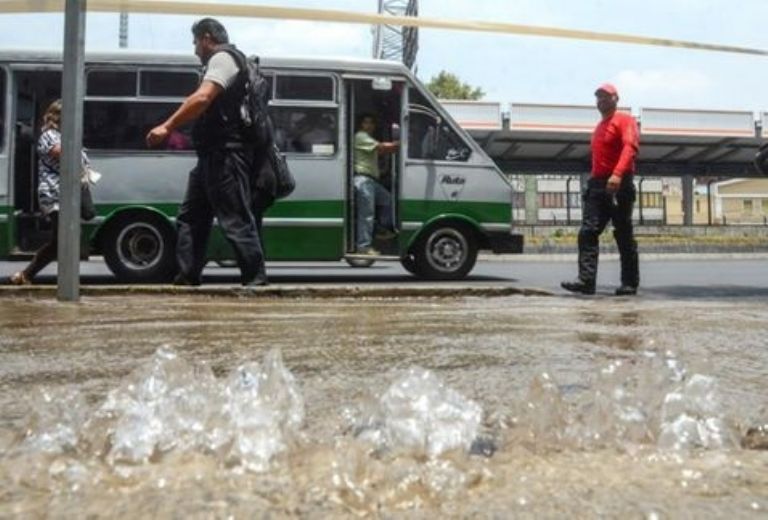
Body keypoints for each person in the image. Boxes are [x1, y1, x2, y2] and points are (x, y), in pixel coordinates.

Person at [146, 18, 268, 286]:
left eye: (195, 42)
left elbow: (202, 98)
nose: (194, 50)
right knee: (190, 217)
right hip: (211, 157)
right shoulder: (230, 60)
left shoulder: (223, 58)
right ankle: (187, 276)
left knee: (235, 218)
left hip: (226, 155)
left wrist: (167, 126)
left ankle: (255, 280)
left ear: (207, 37)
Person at [561, 83, 640, 296]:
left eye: (606, 97)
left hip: (619, 182)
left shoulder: (625, 120)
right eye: (598, 97)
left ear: (616, 99)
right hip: (597, 184)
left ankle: (629, 283)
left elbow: (630, 147)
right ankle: (586, 281)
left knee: (623, 233)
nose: (601, 101)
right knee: (588, 231)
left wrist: (617, 174)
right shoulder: (599, 126)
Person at [10, 99, 89, 285]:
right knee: (65, 237)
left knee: (61, 239)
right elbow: (61, 153)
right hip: (54, 193)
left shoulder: (64, 135)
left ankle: (26, 275)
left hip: (66, 193)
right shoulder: (50, 135)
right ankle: (56, 280)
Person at [353, 114, 399, 255]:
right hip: (363, 180)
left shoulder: (368, 139)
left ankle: (381, 228)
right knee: (366, 214)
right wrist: (401, 143)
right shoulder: (360, 136)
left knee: (387, 199)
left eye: (371, 122)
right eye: (366, 122)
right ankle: (363, 247)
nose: (369, 125)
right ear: (361, 125)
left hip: (370, 180)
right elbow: (382, 148)